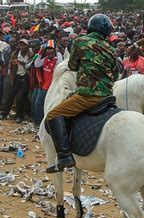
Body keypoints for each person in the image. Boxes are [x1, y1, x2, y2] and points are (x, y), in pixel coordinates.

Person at [44, 14, 119, 173]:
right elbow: (116, 74)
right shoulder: (111, 49)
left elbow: (72, 65)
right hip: (107, 96)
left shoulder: (80, 41)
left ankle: (64, 156)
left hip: (87, 96)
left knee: (53, 115)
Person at [0, 39, 33, 122]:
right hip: (17, 76)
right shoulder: (15, 54)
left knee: (20, 96)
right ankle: (4, 113)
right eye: (21, 45)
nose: (22, 47)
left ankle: (19, 116)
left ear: (27, 46)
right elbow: (10, 65)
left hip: (26, 76)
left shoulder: (31, 54)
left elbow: (30, 66)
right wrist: (11, 72)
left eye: (24, 45)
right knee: (11, 95)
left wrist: (21, 63)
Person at [32, 43, 63, 127]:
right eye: (48, 54)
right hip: (44, 86)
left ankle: (44, 123)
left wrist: (58, 52)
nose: (50, 55)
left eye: (52, 54)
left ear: (54, 53)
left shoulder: (57, 60)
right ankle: (38, 122)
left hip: (52, 87)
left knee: (47, 105)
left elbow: (61, 64)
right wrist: (40, 52)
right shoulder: (45, 59)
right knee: (38, 103)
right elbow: (37, 64)